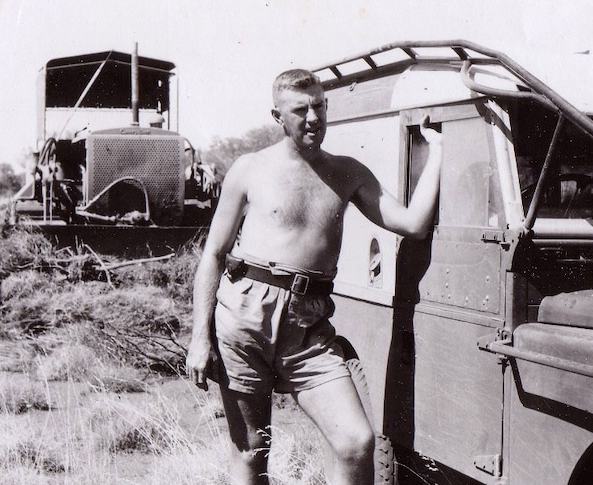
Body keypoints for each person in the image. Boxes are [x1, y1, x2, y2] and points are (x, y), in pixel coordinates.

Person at [187, 68, 442, 485]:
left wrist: (438, 152)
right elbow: (213, 254)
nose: (313, 118)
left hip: (308, 326)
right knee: (251, 452)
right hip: (246, 316)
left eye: (319, 106)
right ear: (277, 116)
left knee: (356, 443)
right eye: (300, 109)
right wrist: (200, 338)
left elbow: (412, 223)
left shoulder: (348, 172)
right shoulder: (249, 169)